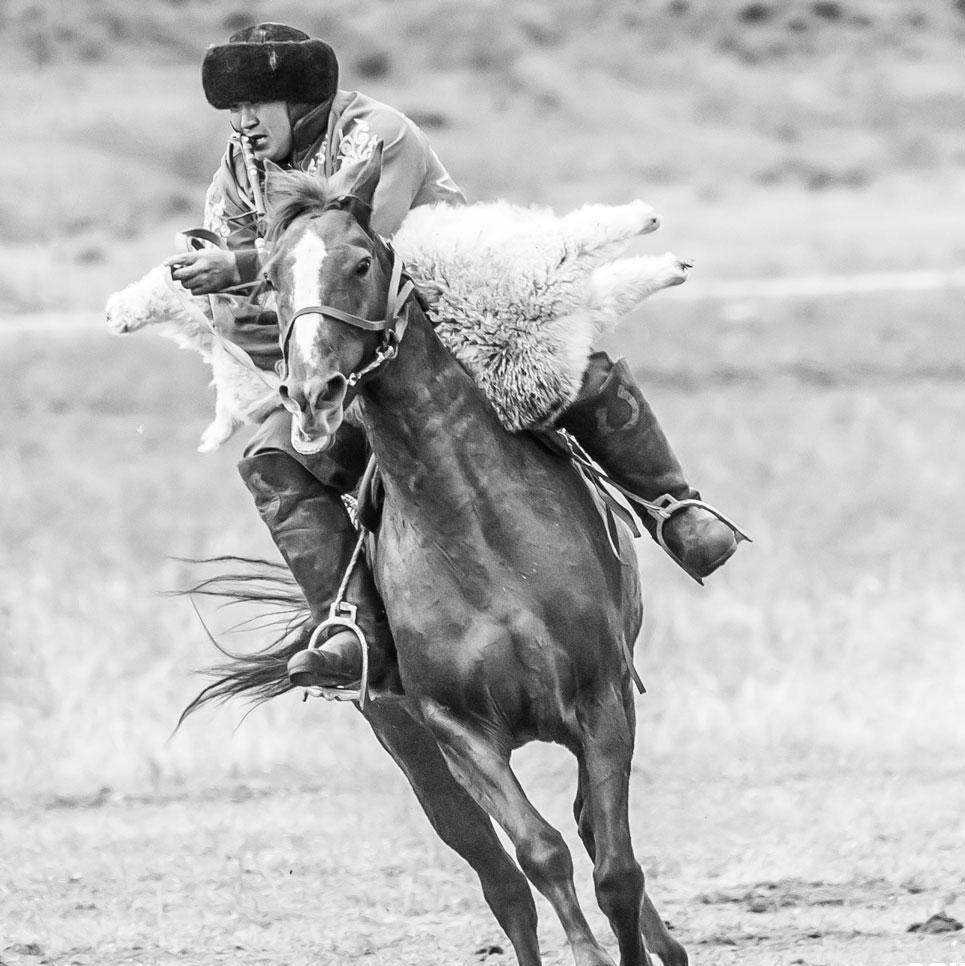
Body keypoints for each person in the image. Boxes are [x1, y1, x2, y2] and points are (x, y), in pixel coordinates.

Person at [167, 22, 742, 690]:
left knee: (570, 372)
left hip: (455, 313)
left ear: (299, 101)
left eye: (251, 108)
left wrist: (239, 265)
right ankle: (351, 625)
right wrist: (308, 361)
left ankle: (675, 511)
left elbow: (360, 247)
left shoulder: (377, 135)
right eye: (232, 112)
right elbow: (235, 309)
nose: (241, 125)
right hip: (340, 354)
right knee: (270, 461)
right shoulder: (238, 173)